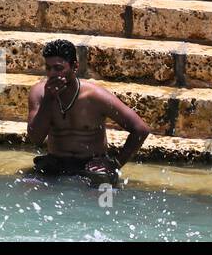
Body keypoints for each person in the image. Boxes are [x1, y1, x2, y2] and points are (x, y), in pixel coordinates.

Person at [26, 38, 151, 184]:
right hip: (55, 162)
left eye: (58, 68)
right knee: (26, 188)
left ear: (74, 67)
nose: (52, 74)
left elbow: (141, 129)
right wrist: (48, 99)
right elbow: (35, 139)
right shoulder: (39, 93)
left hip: (92, 165)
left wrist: (115, 163)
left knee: (103, 200)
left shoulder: (95, 96)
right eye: (48, 68)